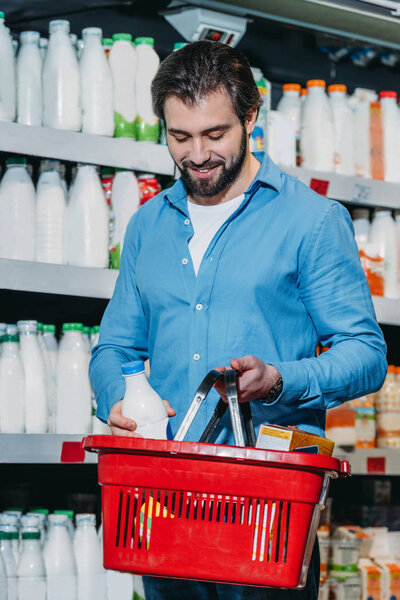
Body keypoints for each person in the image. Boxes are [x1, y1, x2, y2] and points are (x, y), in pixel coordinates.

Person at [89, 41, 387, 599]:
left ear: (251, 117)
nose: (198, 155)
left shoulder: (312, 221)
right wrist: (118, 401)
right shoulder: (147, 226)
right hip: (164, 507)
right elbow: (114, 350)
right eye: (180, 137)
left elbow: (366, 355)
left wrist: (279, 380)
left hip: (266, 517)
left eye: (215, 134)